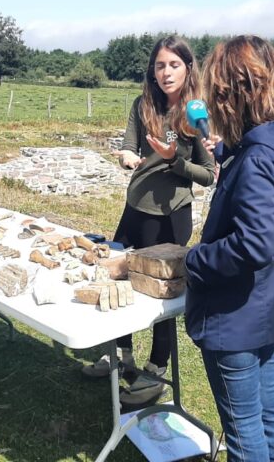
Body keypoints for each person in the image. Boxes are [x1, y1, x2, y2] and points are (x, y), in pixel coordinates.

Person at [184, 35, 274, 461]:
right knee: (271, 416)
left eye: (217, 93)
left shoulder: (259, 158)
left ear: (233, 95)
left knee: (244, 437)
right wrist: (231, 153)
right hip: (270, 308)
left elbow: (255, 244)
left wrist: (195, 259)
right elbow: (263, 177)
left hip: (235, 319)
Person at [81, 36, 215, 410]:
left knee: (160, 296)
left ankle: (155, 371)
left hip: (171, 218)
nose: (166, 71)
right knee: (119, 276)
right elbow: (128, 145)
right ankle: (119, 355)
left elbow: (208, 175)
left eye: (174, 64)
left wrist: (174, 162)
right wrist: (126, 155)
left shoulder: (196, 114)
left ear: (188, 68)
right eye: (160, 65)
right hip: (135, 207)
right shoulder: (143, 105)